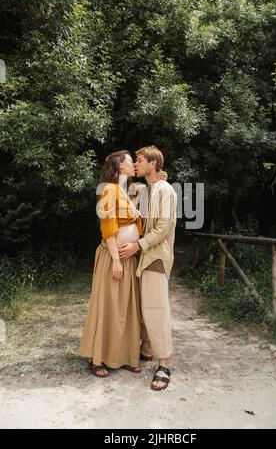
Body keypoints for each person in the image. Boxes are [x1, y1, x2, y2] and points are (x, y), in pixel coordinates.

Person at [79, 150, 166, 378]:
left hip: (129, 258)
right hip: (113, 257)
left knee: (126, 310)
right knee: (108, 307)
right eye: (130, 162)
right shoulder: (108, 189)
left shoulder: (129, 190)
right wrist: (116, 259)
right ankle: (98, 358)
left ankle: (125, 357)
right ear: (119, 166)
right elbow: (108, 227)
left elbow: (149, 196)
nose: (134, 165)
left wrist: (158, 179)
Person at [118, 146, 177, 391]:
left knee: (156, 308)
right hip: (144, 257)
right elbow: (123, 191)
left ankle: (164, 364)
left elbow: (163, 227)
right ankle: (148, 349)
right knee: (144, 307)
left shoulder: (165, 190)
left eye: (140, 160)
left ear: (153, 163)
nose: (136, 164)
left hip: (155, 256)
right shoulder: (147, 189)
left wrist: (136, 246)